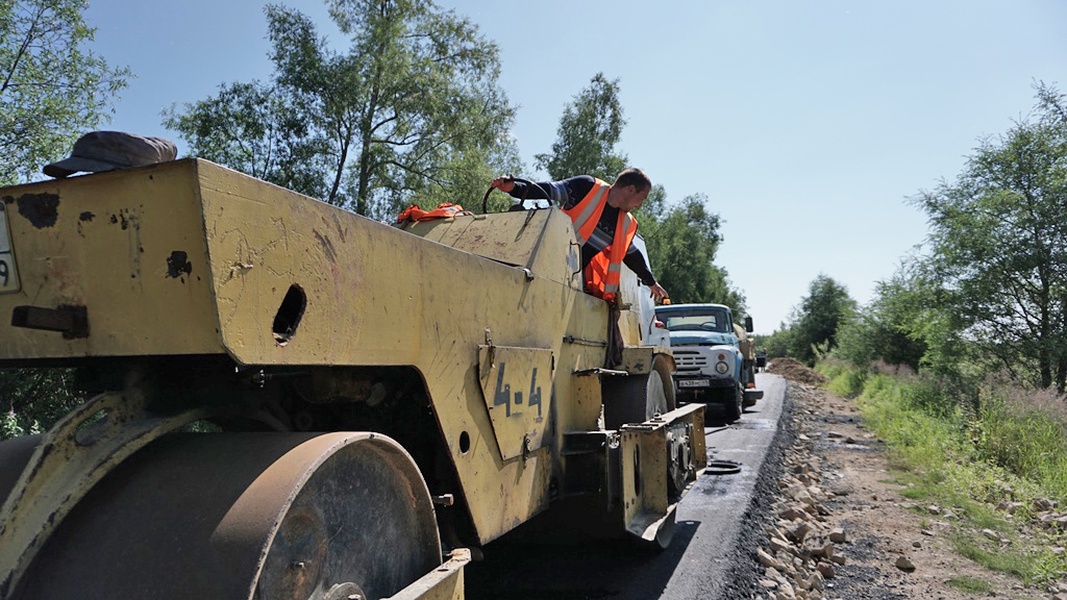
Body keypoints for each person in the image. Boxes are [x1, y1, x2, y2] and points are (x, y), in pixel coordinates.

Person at [490, 168, 669, 304]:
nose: (640, 205)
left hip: (570, 284)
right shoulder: (587, 187)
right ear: (630, 189)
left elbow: (631, 255)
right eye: (642, 198)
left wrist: (650, 282)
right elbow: (549, 189)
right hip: (541, 264)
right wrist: (514, 188)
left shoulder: (624, 223)